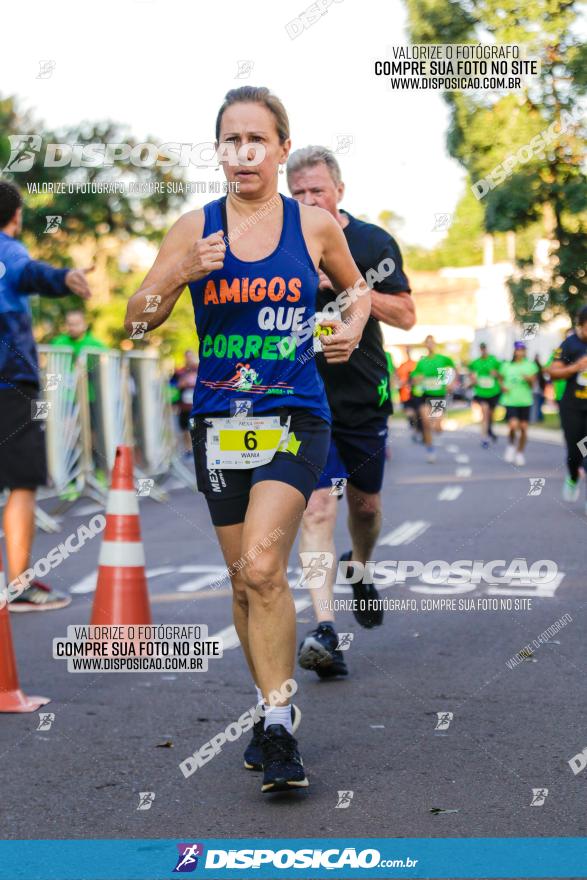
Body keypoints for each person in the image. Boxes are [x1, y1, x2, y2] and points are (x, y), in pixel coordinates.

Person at [124, 87, 371, 793]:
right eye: (230, 141)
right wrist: (178, 273)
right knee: (245, 579)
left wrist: (349, 325)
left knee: (263, 565)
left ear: (281, 148)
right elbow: (135, 325)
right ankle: (274, 716)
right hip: (218, 424)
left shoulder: (314, 225)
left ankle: (276, 717)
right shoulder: (191, 229)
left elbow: (355, 290)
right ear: (219, 153)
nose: (243, 152)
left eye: (256, 139)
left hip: (296, 413)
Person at [286, 146, 414, 677]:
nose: (309, 200)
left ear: (339, 189)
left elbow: (407, 314)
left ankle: (360, 568)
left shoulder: (370, 242)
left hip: (362, 394)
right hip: (301, 395)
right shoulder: (281, 243)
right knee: (316, 508)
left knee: (364, 507)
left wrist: (347, 285)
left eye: (317, 190)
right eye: (298, 193)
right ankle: (324, 629)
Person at [0, 180, 92, 611]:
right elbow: (28, 273)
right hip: (9, 384)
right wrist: (64, 278)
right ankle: (19, 584)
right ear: (16, 217)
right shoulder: (8, 249)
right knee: (21, 482)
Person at [548, 305, 587, 508]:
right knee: (575, 451)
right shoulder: (569, 345)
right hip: (571, 406)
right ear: (581, 326)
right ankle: (572, 477)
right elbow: (552, 371)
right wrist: (576, 367)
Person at [410, 336, 456, 462]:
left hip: (438, 395)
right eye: (427, 343)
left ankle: (438, 426)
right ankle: (430, 450)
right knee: (426, 422)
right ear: (425, 345)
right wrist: (416, 379)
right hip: (425, 395)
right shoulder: (422, 361)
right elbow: (414, 377)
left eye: (432, 343)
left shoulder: (442, 359)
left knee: (437, 427)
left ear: (435, 344)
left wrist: (451, 382)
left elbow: (452, 368)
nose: (430, 345)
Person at [499, 341, 538, 466]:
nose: (520, 352)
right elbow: (500, 377)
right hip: (510, 400)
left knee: (524, 428)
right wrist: (502, 386)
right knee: (513, 425)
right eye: (518, 350)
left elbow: (533, 385)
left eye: (522, 350)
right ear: (514, 351)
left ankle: (520, 452)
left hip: (525, 400)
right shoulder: (506, 365)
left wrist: (529, 380)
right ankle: (511, 445)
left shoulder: (530, 366)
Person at [467, 341, 501, 448]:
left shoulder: (494, 360)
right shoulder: (475, 362)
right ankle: (484, 438)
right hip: (481, 392)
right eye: (481, 349)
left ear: (487, 349)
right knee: (485, 412)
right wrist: (473, 379)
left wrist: (496, 374)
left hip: (493, 392)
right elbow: (471, 374)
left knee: (490, 415)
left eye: (484, 348)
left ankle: (490, 431)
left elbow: (501, 374)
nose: (483, 350)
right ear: (479, 350)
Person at [171, 349, 199, 454]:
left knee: (193, 427)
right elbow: (173, 387)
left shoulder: (199, 370)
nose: (189, 359)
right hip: (184, 406)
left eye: (191, 356)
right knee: (185, 429)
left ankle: (195, 447)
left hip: (195, 406)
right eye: (187, 357)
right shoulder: (180, 372)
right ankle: (189, 449)